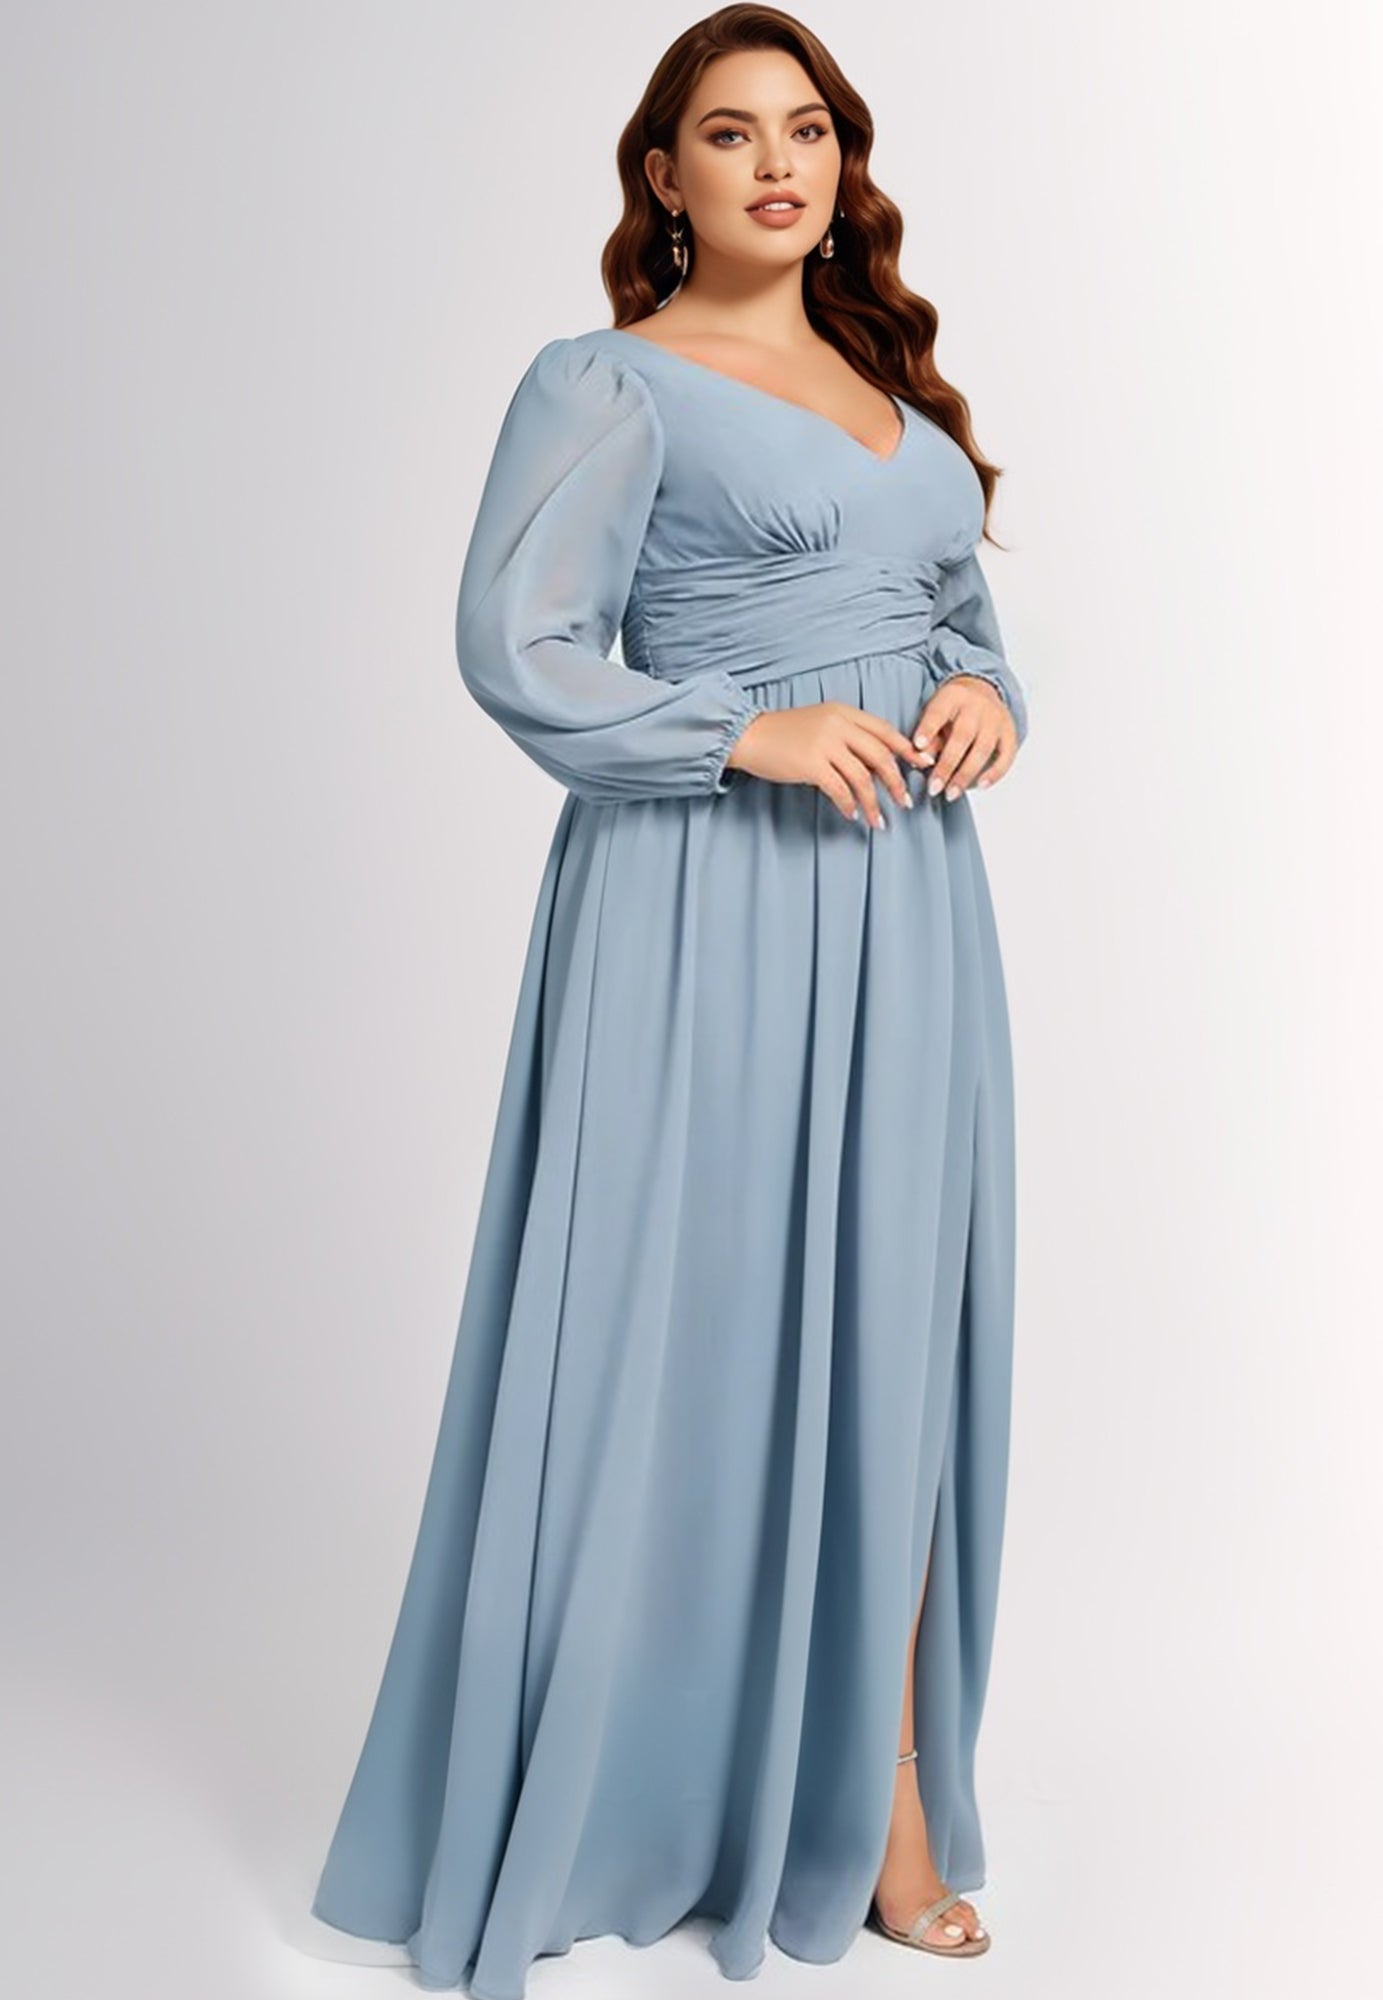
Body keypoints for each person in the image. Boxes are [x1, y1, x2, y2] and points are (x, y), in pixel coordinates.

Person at [310, 9, 1029, 1993]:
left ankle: (882, 1805)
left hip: (909, 906)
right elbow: (516, 642)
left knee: (894, 1323)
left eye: (808, 131)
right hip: (705, 896)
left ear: (842, 166)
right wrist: (740, 730)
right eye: (731, 133)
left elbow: (959, 619)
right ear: (665, 174)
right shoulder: (607, 381)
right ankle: (628, 1785)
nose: (777, 165)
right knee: (677, 1328)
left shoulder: (890, 382)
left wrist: (988, 694)